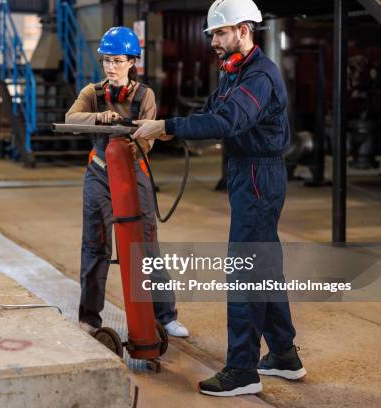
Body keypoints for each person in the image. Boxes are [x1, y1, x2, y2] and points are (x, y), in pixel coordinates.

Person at [132, 0, 306, 397]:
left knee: (245, 270)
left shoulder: (259, 76)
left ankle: (243, 370)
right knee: (265, 267)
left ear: (244, 30)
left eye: (220, 33)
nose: (213, 41)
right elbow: (213, 110)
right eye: (212, 34)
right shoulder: (234, 71)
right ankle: (283, 355)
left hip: (259, 176)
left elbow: (229, 121)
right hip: (248, 174)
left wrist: (169, 125)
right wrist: (165, 130)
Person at [66, 26, 189, 338]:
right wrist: (98, 117)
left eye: (118, 60)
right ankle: (90, 317)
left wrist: (138, 143)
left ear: (133, 61)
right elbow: (70, 118)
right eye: (106, 60)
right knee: (95, 245)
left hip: (134, 173)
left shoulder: (145, 95)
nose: (111, 67)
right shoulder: (91, 94)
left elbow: (148, 136)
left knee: (146, 247)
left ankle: (166, 315)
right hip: (99, 174)